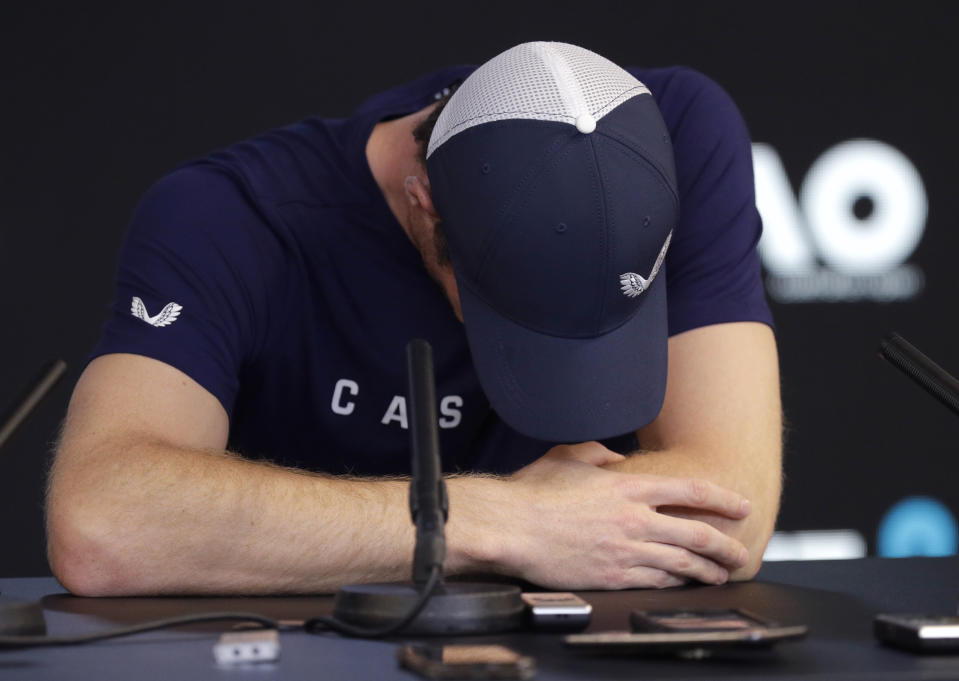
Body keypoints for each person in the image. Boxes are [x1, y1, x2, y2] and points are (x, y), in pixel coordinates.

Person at [45, 42, 781, 596]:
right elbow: (104, 522)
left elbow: (726, 517)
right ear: (423, 201)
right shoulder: (237, 217)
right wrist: (501, 521)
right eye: (516, 312)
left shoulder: (679, 132)